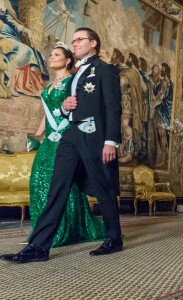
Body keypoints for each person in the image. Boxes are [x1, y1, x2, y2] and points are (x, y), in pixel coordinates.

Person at [0, 27, 123, 263]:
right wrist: (66, 107)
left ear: (93, 43)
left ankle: (114, 239)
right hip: (70, 137)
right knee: (57, 189)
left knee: (104, 188)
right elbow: (71, 106)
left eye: (80, 40)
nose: (75, 43)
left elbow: (112, 107)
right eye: (73, 40)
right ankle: (38, 247)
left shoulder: (105, 70)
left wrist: (110, 141)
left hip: (94, 137)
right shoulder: (74, 74)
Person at [29, 42, 106, 247]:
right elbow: (46, 113)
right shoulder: (48, 86)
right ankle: (42, 231)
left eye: (57, 54)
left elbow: (80, 109)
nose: (51, 57)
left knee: (63, 183)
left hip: (66, 138)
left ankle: (67, 229)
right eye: (51, 54)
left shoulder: (73, 81)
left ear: (68, 60)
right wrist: (37, 134)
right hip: (48, 141)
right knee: (39, 179)